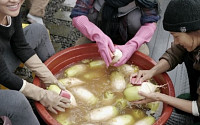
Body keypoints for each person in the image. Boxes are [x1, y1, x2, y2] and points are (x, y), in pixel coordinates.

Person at [0, 0, 70, 124]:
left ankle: (52, 93)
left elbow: (20, 45)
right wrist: (41, 95)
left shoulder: (10, 10)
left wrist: (49, 77)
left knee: (38, 30)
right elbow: (3, 75)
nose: (15, 0)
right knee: (16, 101)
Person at [131, 0, 200, 124]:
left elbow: (198, 108)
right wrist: (151, 72)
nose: (175, 41)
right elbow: (175, 53)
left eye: (176, 36)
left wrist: (159, 97)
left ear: (192, 30)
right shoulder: (194, 38)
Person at [70, 0, 160, 67]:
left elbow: (151, 22)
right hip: (98, 29)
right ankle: (95, 39)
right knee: (77, 56)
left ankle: (133, 43)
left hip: (129, 36)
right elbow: (78, 15)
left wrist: (133, 44)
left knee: (135, 20)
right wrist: (97, 35)